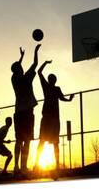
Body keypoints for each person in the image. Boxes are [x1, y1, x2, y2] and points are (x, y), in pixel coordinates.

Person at [34, 60, 74, 171]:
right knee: (43, 141)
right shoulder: (47, 87)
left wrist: (69, 99)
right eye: (50, 78)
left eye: (52, 79)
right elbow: (39, 72)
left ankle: (56, 166)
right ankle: (37, 164)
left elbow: (62, 98)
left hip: (53, 119)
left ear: (54, 80)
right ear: (50, 80)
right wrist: (45, 63)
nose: (51, 80)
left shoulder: (56, 89)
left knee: (53, 142)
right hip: (48, 118)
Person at [11, 44, 41, 173]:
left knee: (19, 140)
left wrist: (21, 57)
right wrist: (35, 51)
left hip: (19, 113)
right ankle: (23, 167)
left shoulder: (14, 78)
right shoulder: (27, 77)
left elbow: (16, 67)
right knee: (27, 141)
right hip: (28, 113)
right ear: (20, 69)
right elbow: (35, 63)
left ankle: (17, 166)